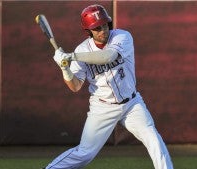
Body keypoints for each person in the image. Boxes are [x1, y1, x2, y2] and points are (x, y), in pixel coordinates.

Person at [43, 4, 173, 169]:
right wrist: (64, 68)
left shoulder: (122, 37)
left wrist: (71, 57)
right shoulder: (82, 49)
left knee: (153, 139)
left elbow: (109, 56)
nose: (102, 30)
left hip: (132, 104)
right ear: (89, 31)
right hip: (102, 107)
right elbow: (75, 86)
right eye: (97, 28)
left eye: (104, 24)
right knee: (85, 154)